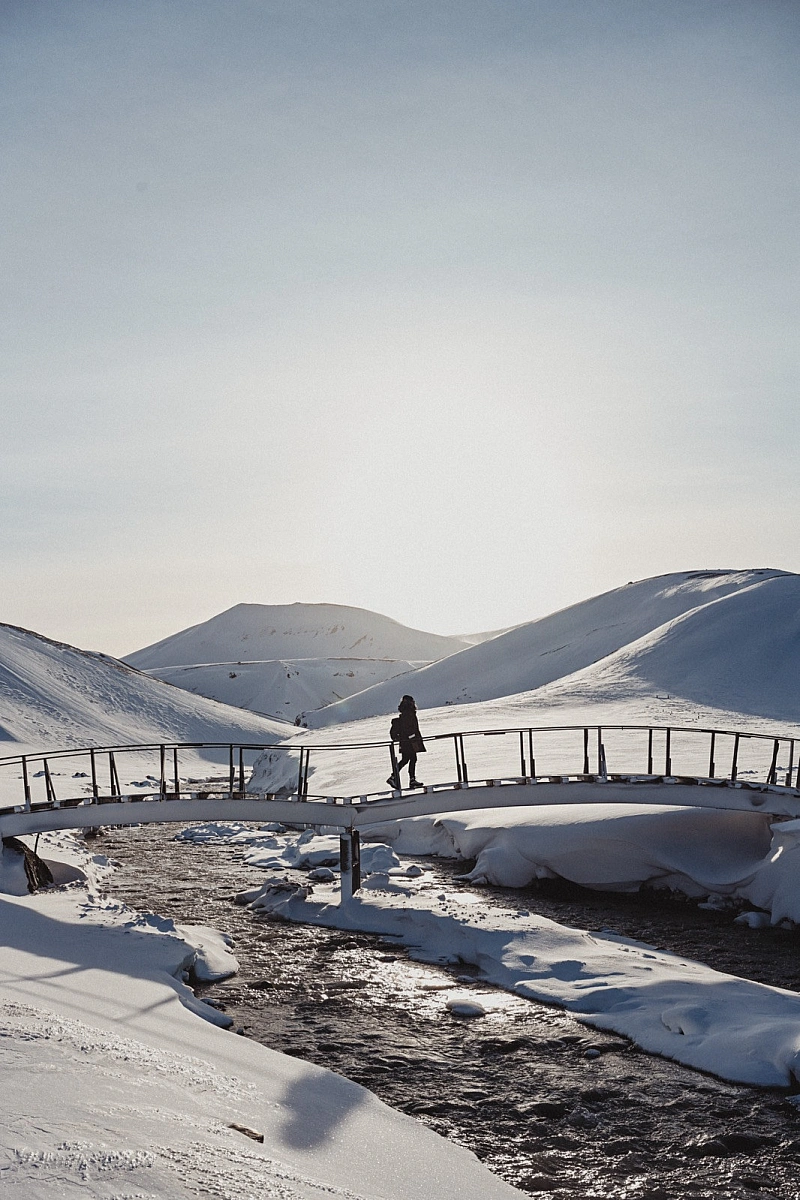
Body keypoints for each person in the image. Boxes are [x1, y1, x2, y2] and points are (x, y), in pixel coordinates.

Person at [387, 694, 425, 790]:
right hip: (409, 742)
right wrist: (413, 739)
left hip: (406, 742)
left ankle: (396, 777)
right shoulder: (409, 713)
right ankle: (406, 779)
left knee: (407, 759)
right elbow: (409, 729)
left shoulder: (405, 712)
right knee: (411, 759)